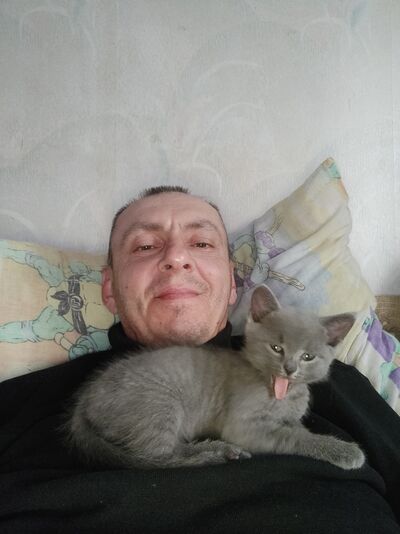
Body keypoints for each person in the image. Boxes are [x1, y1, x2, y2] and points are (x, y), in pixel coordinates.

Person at [0, 186, 400, 534]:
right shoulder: (26, 400)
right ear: (109, 289)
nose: (177, 257)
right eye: (145, 245)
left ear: (232, 285)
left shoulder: (338, 382)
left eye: (202, 244)